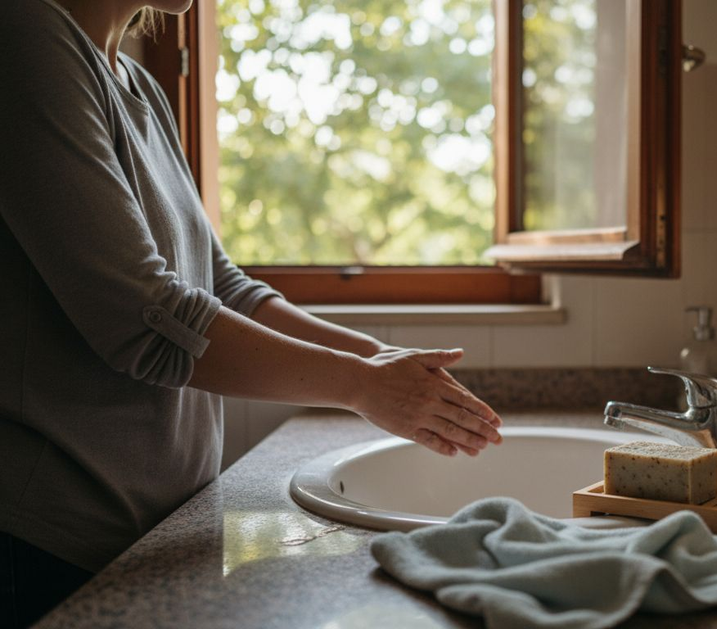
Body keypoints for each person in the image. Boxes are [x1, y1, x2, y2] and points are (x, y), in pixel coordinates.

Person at [0, 0, 504, 626]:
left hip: (154, 531)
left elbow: (224, 287)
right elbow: (142, 315)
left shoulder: (140, 85)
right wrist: (361, 385)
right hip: (50, 545)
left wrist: (380, 363)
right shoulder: (24, 37)